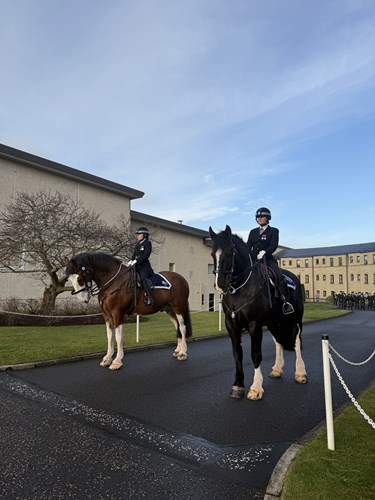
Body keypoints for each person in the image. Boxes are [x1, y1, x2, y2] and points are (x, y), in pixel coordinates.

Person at [246, 207, 294, 314]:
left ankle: (286, 302)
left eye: (262, 217)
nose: (260, 219)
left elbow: (273, 245)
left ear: (268, 218)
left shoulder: (273, 231)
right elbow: (248, 246)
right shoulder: (253, 232)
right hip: (254, 260)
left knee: (278, 275)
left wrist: (265, 252)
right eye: (258, 217)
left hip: (268, 260)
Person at [127, 226, 154, 306]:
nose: (137, 236)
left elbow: (146, 255)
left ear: (144, 235)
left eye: (139, 234)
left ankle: (150, 297)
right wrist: (131, 260)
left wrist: (137, 261)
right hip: (136, 265)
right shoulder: (137, 244)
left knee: (143, 278)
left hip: (144, 266)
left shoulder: (148, 243)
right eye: (137, 234)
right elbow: (134, 254)